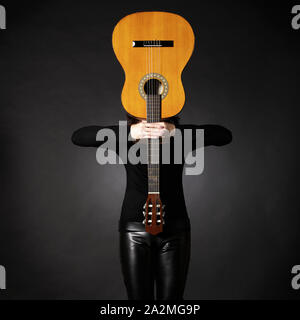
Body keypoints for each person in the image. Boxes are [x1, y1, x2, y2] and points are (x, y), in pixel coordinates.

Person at [71, 114, 232, 300]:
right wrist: (131, 132)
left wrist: (173, 131)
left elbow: (224, 135)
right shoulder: (126, 138)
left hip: (175, 231)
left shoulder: (179, 137)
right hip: (134, 232)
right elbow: (78, 137)